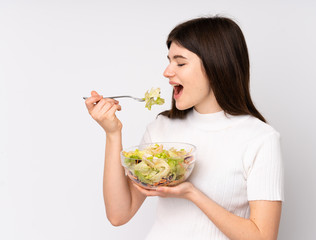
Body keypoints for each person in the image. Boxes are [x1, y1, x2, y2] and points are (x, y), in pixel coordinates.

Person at [85, 16, 284, 240]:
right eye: (169, 60)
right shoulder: (161, 127)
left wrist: (191, 193)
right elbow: (119, 215)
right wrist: (112, 134)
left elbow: (263, 237)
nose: (167, 72)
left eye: (180, 63)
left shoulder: (260, 138)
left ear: (216, 66)